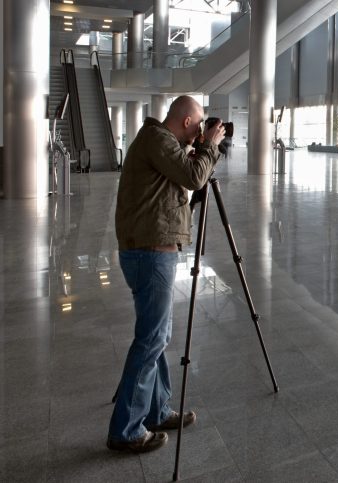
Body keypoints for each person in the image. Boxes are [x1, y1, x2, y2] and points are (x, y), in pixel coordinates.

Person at [107, 96, 225, 453]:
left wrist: (202, 149)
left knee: (156, 336)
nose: (202, 130)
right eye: (200, 123)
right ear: (188, 121)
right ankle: (126, 430)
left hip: (148, 249)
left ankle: (156, 410)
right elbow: (192, 176)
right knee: (151, 340)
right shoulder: (157, 140)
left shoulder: (159, 142)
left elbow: (182, 179)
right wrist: (210, 147)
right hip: (150, 251)